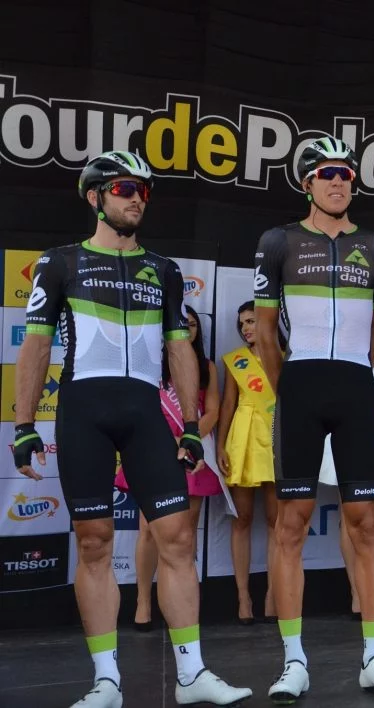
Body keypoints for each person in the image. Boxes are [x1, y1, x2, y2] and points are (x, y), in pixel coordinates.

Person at [11, 151, 250, 707]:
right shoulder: (59, 262)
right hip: (84, 411)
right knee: (94, 542)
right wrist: (23, 425)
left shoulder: (164, 270)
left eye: (143, 189)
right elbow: (37, 346)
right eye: (124, 188)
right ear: (95, 197)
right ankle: (107, 681)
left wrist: (189, 425)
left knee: (178, 537)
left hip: (146, 415)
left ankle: (191, 674)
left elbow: (180, 349)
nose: (137, 197)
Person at [254, 137, 374, 700]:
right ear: (307, 183)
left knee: (367, 523)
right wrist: (290, 389)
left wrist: (354, 375)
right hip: (300, 385)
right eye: (327, 173)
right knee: (289, 524)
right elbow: (266, 332)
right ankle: (293, 661)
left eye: (346, 173)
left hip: (353, 387)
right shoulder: (279, 241)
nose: (339, 181)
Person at [115, 305, 223, 631]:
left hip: (192, 452)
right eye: (180, 324)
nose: (186, 329)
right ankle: (143, 601)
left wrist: (188, 438)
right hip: (153, 449)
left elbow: (213, 411)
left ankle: (177, 603)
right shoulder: (148, 362)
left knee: (184, 534)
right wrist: (165, 441)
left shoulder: (206, 367)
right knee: (148, 530)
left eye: (192, 325)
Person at [328, 350, 374, 619]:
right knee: (350, 514)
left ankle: (373, 587)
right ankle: (356, 591)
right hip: (346, 431)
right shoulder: (344, 348)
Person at [217, 301, 278, 624]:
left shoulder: (286, 357)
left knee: (276, 522)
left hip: (275, 438)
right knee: (241, 520)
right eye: (242, 323)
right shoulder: (236, 361)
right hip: (242, 439)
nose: (246, 328)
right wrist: (220, 446)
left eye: (251, 321)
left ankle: (273, 594)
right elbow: (228, 404)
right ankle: (243, 597)